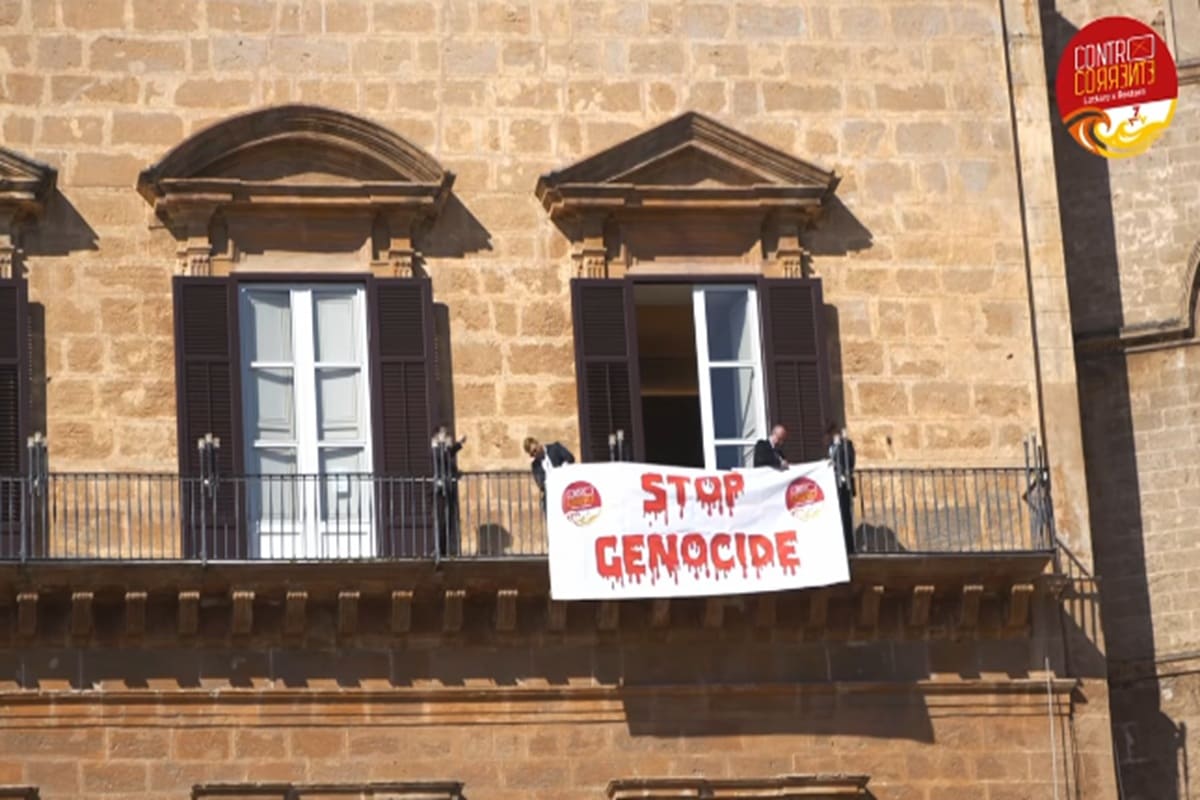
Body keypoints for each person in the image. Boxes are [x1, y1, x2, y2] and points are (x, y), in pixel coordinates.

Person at [433, 426, 466, 557]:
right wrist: (454, 444)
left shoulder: (443, 451)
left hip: (448, 490)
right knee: (442, 521)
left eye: (448, 435)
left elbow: (448, 456)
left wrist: (459, 443)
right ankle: (439, 551)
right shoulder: (435, 450)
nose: (448, 437)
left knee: (449, 521)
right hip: (439, 491)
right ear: (437, 437)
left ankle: (445, 550)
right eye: (445, 435)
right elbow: (443, 457)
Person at [826, 422, 856, 555]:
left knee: (846, 516)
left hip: (844, 485)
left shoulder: (846, 444)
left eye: (833, 433)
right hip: (833, 486)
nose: (831, 435)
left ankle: (849, 547)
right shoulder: (830, 447)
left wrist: (842, 443)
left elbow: (850, 461)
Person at [523, 436, 575, 509]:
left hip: (566, 488)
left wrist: (561, 469)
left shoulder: (555, 448)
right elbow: (541, 484)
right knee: (545, 504)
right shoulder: (535, 465)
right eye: (532, 454)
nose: (535, 454)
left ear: (538, 444)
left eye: (535, 450)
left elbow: (570, 458)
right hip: (551, 493)